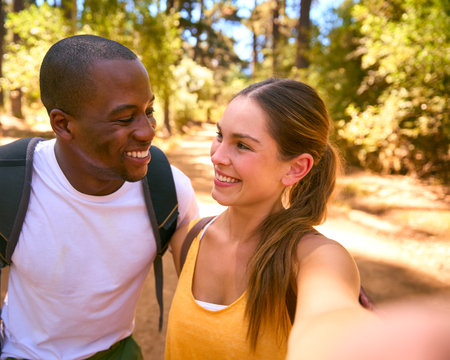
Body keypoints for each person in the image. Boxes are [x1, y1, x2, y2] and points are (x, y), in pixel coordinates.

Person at [0, 35, 198, 359]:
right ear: (63, 124)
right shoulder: (9, 181)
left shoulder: (168, 191)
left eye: (149, 111)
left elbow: (218, 279)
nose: (148, 132)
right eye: (124, 118)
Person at [164, 78, 372, 360]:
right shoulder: (188, 241)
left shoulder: (318, 259)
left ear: (295, 168)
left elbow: (330, 320)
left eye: (242, 146)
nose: (217, 156)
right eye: (220, 136)